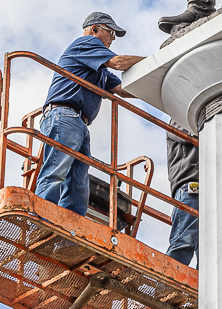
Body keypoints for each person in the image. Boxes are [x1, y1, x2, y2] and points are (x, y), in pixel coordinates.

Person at [34, 13, 144, 217]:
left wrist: (157, 88)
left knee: (78, 183)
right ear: (94, 29)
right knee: (55, 172)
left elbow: (122, 89)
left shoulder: (98, 70)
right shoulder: (86, 44)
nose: (112, 38)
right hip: (65, 116)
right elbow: (118, 62)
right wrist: (156, 62)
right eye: (110, 32)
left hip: (78, 123)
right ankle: (39, 220)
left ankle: (70, 232)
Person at [163, 132, 199, 266]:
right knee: (184, 241)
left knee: (210, 251)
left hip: (209, 192)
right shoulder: (178, 119)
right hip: (192, 187)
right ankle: (163, 283)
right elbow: (197, 131)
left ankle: (205, 287)